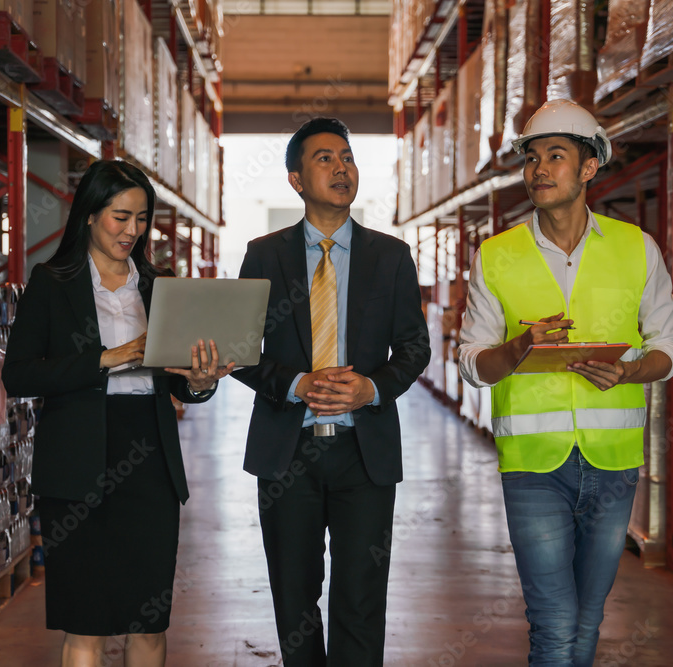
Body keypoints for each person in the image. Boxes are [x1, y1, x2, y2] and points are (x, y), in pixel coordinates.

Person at [457, 99, 673, 666]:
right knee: (555, 621)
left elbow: (670, 348)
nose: (538, 169)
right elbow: (470, 362)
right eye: (531, 158)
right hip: (533, 466)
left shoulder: (637, 249)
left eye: (555, 156)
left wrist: (629, 371)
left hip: (612, 464)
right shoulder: (496, 255)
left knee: (587, 617)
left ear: (588, 168)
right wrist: (518, 347)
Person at [2, 159, 233, 667]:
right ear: (89, 214)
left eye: (142, 218)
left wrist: (198, 383)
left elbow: (180, 384)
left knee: (146, 619)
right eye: (120, 217)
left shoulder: (158, 286)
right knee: (85, 621)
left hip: (148, 460)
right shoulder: (52, 283)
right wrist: (111, 357)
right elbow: (18, 375)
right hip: (76, 461)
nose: (133, 230)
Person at [232, 118, 430, 666]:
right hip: (286, 452)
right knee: (294, 599)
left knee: (361, 598)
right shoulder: (264, 256)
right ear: (296, 179)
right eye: (325, 158)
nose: (342, 167)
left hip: (363, 454)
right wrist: (296, 383)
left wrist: (370, 387)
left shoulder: (389, 257)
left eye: (347, 157)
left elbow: (414, 347)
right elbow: (241, 351)